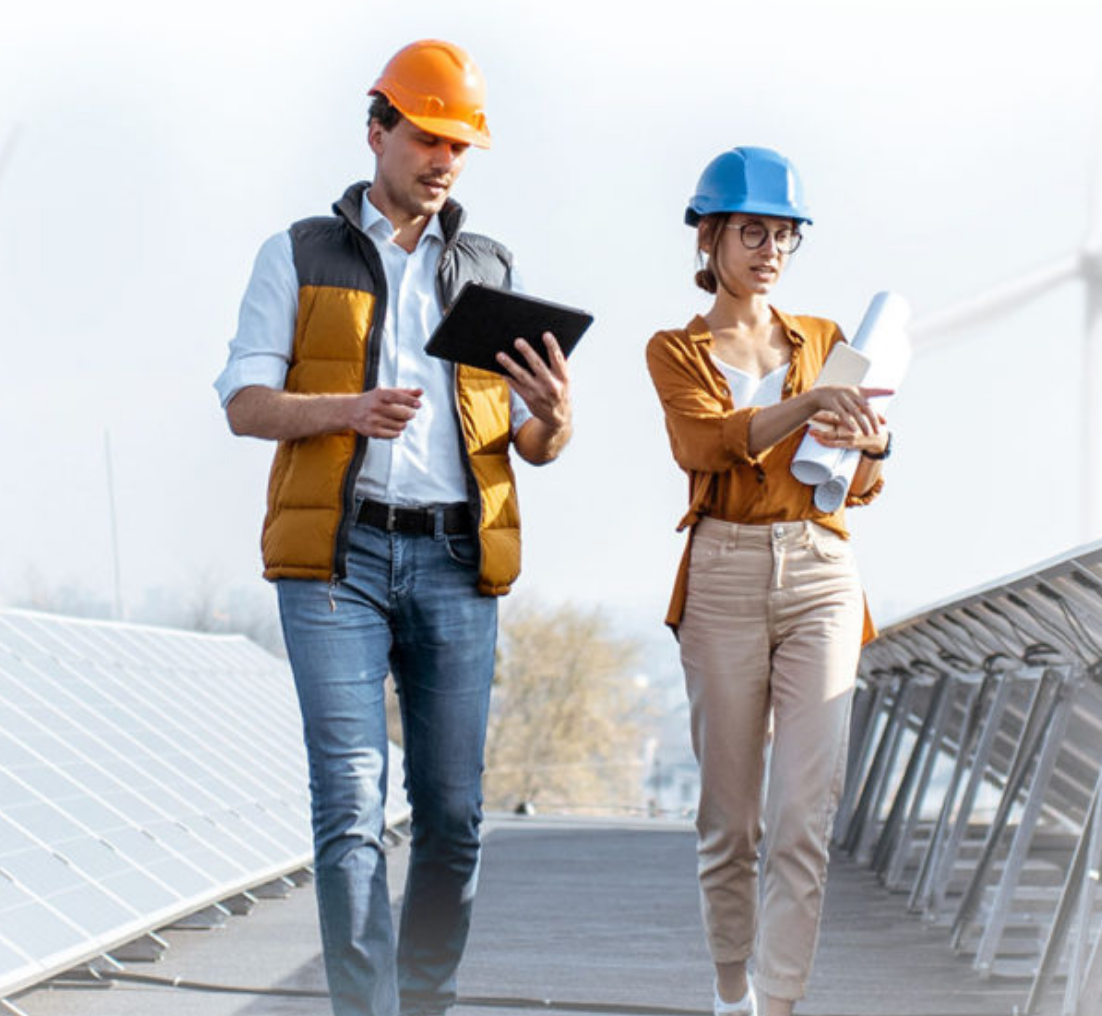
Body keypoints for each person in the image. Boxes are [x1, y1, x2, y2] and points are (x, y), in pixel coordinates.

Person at [212, 39, 573, 1016]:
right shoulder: (298, 254)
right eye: (426, 137)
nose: (444, 160)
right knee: (351, 804)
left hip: (457, 558)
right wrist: (346, 410)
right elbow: (243, 402)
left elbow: (530, 444)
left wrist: (556, 415)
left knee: (453, 815)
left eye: (459, 145)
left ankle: (424, 1004)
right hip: (338, 560)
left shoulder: (489, 269)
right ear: (376, 131)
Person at [644, 147, 890, 1016]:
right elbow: (707, 444)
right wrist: (809, 406)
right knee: (731, 822)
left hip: (822, 570)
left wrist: (873, 444)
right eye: (753, 231)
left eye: (785, 234)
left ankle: (779, 1005)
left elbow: (859, 485)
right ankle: (731, 994)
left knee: (802, 818)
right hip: (722, 572)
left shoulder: (825, 341)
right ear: (709, 237)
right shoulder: (675, 350)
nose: (771, 250)